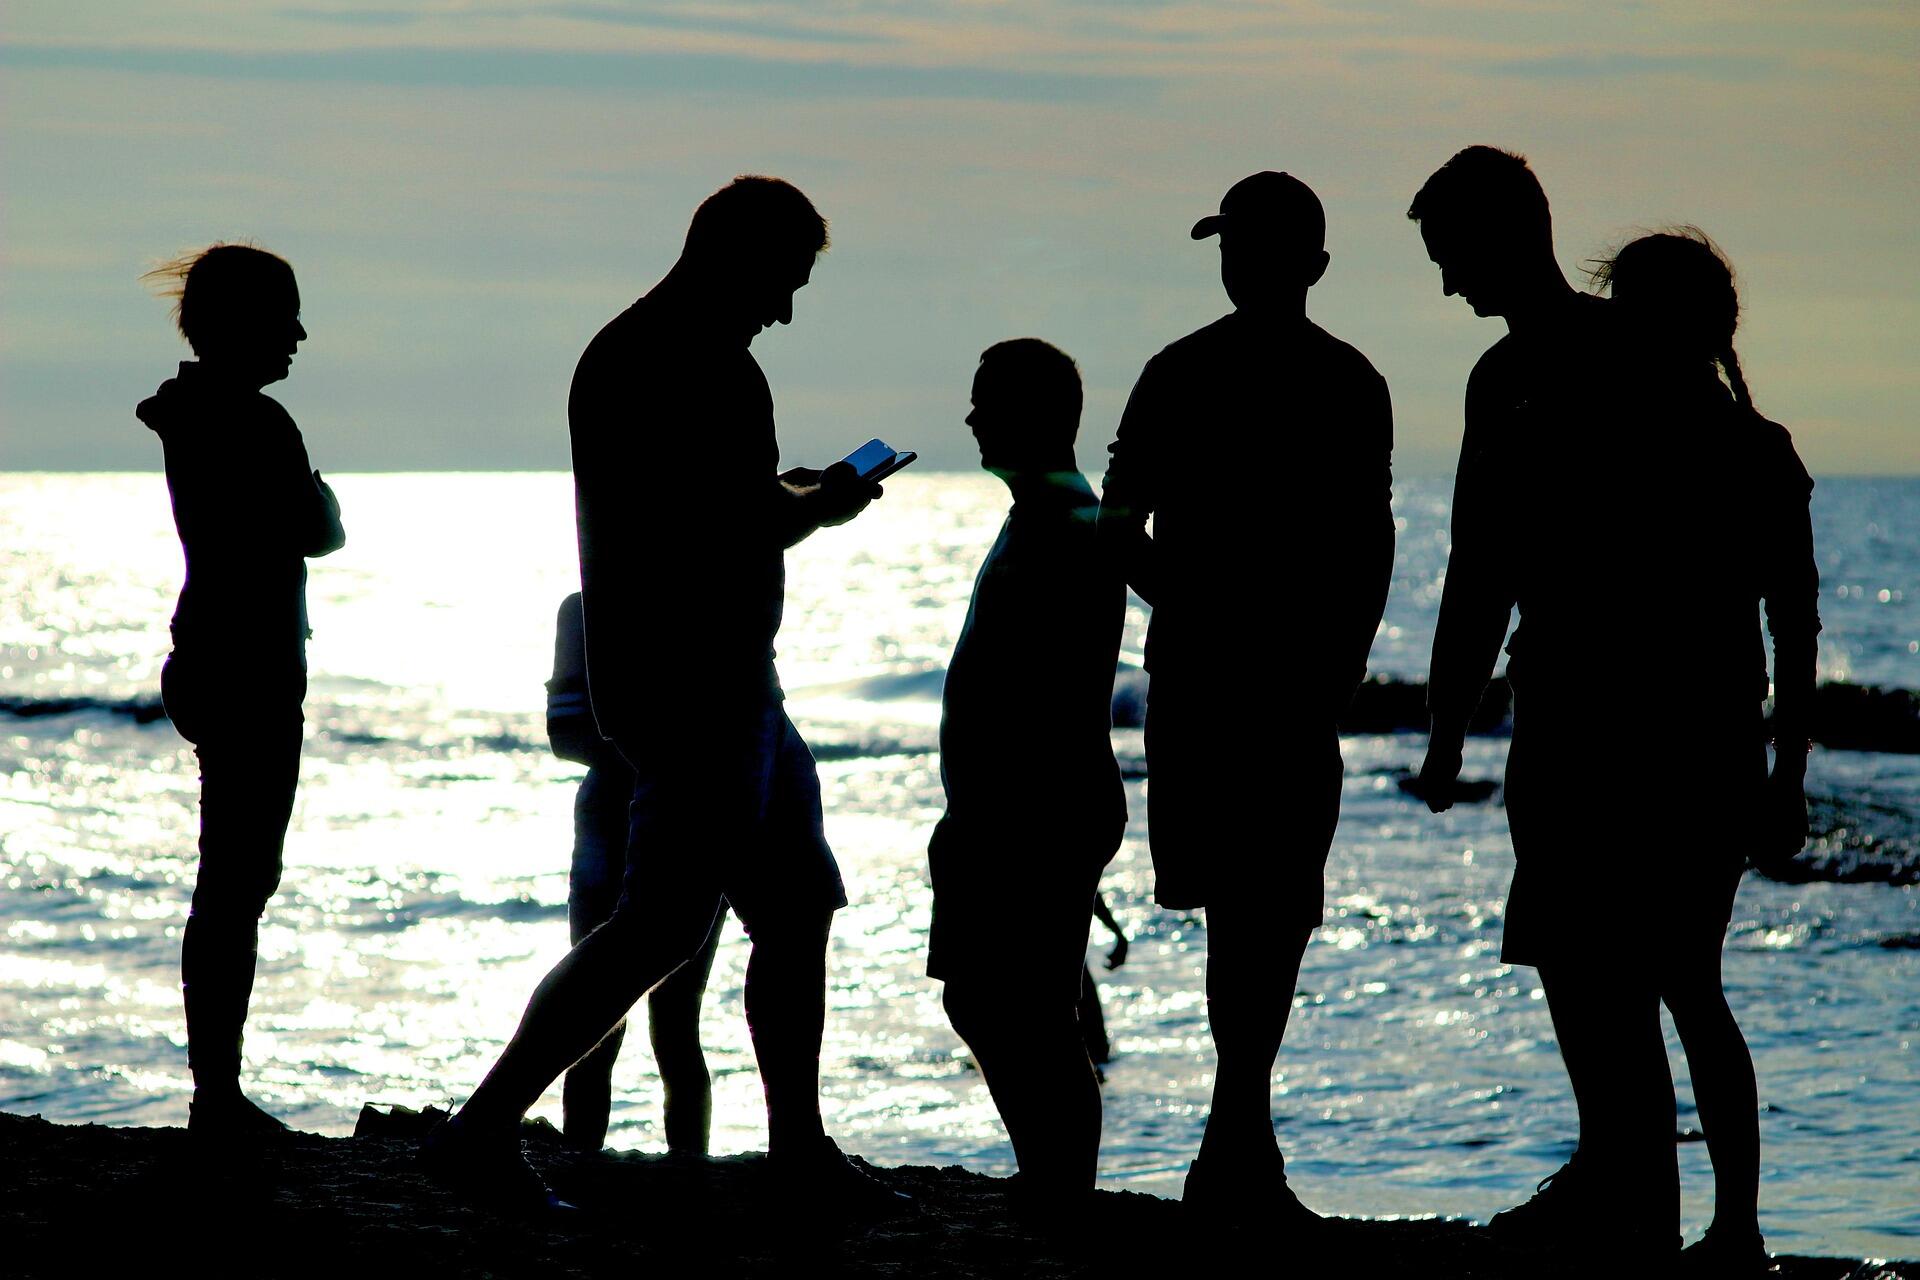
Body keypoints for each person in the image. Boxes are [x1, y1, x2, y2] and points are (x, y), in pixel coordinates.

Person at [424, 176, 901, 1215]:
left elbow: (701, 502)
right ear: (737, 256)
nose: (784, 308)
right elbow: (733, 525)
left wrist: (797, 492)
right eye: (784, 281)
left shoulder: (631, 352)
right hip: (697, 686)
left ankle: (798, 1148)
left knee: (796, 905)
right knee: (656, 928)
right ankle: (482, 1126)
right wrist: (822, 507)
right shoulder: (707, 368)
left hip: (716, 681)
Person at [1408, 151, 1816, 1273]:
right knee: (1591, 973)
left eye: (1451, 256)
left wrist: (1780, 765)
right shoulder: (1520, 385)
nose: (1445, 284)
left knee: (1655, 978)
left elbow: (1730, 575)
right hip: (1586, 717)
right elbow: (1479, 564)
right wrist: (1450, 718)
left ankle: (1665, 1211)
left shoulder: (1624, 378)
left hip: (1650, 725)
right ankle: (1631, 1191)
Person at [1097, 172, 1394, 1225]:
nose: (1239, 265)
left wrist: (1317, 647)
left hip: (1247, 679)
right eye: (1233, 248)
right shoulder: (1313, 376)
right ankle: (1238, 1138)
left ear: (1309, 264)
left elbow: (1368, 535)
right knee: (1258, 909)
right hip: (1238, 680)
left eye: (1254, 248)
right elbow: (1121, 524)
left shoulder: (1214, 372)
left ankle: (1236, 1136)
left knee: (1263, 909)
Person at [1594, 229, 1812, 1274]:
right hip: (1697, 742)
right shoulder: (1752, 448)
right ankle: (1705, 1218)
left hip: (1665, 746)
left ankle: (1710, 1220)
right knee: (1671, 981)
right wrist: (1785, 773)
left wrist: (1791, 774)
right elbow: (1795, 632)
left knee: (1664, 981)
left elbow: (1794, 628)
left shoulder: (1638, 446)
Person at [137, 242, 347, 1140]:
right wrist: (322, 501)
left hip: (207, 654)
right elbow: (319, 528)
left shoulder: (192, 414)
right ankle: (216, 1095)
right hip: (249, 666)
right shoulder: (259, 424)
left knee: (231, 878)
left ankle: (215, 1089)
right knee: (236, 882)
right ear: (238, 324)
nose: (300, 333)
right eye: (285, 315)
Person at [928, 338, 1127, 1217]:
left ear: (1035, 414)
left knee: (1028, 1011)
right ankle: (1053, 1181)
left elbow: (1050, 685)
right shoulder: (1040, 510)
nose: (971, 416)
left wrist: (1001, 805)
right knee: (993, 1001)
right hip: (1008, 803)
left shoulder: (1067, 519)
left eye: (987, 401)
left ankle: (1061, 1191)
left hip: (1033, 804)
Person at [545, 592, 724, 1155]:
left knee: (672, 1023)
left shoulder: (589, 609)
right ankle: (582, 1160)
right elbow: (564, 734)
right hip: (644, 818)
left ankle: (680, 1167)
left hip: (677, 817)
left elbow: (569, 732)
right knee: (606, 1023)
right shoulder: (586, 610)